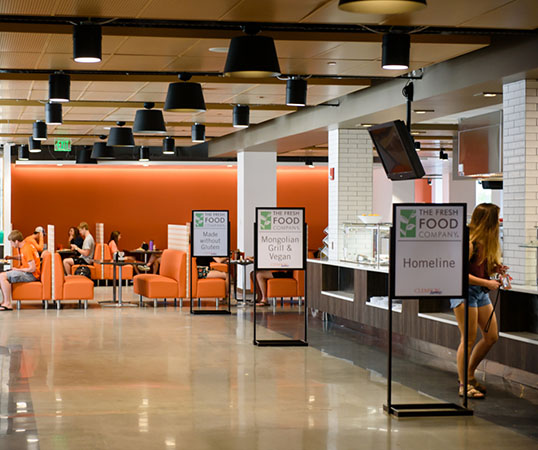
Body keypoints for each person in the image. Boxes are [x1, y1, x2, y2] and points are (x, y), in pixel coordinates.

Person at [450, 203, 508, 399]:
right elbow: (459, 274)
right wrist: (487, 282)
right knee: (468, 339)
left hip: (480, 292)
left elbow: (480, 270)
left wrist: (495, 270)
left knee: (491, 336)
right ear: (489, 221)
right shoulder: (469, 243)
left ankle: (469, 375)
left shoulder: (487, 242)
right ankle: (463, 384)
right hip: (464, 292)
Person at [0, 230, 41, 311]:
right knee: (3, 274)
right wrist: (11, 257)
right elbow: (22, 257)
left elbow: (32, 268)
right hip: (28, 272)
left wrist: (18, 269)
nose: (11, 245)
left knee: (2, 276)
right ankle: (4, 301)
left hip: (31, 275)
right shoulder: (25, 246)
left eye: (11, 242)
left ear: (16, 241)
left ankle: (7, 304)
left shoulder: (26, 249)